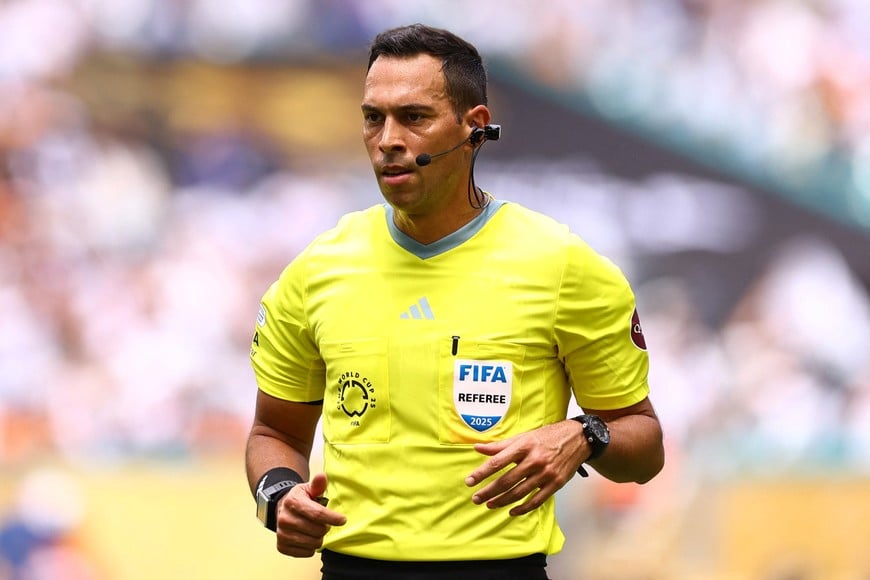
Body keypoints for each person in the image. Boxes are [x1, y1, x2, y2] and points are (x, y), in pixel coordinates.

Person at [245, 23, 664, 580]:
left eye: (414, 117)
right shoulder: (316, 270)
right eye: (374, 117)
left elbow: (645, 443)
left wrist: (586, 435)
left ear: (474, 128)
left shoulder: (563, 264)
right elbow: (275, 434)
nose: (388, 138)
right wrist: (278, 495)